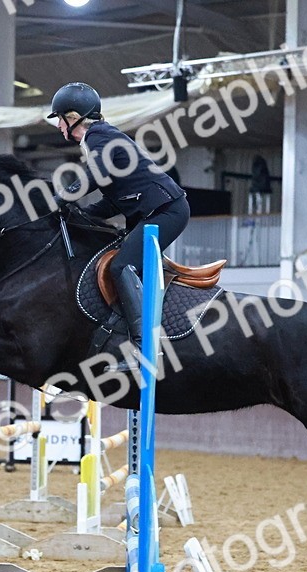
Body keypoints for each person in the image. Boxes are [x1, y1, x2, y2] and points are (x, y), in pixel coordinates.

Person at [47, 82, 189, 374]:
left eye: (60, 119)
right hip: (156, 211)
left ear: (72, 117)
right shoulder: (102, 138)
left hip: (166, 212)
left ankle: (144, 349)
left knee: (121, 266)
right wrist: (78, 215)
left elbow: (94, 176)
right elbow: (112, 202)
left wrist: (59, 199)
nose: (59, 126)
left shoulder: (98, 136)